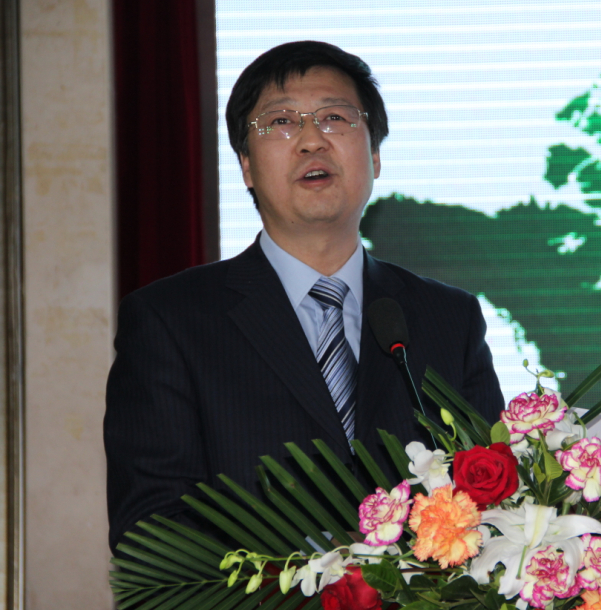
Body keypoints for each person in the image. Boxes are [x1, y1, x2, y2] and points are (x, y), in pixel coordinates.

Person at [103, 41, 505, 554]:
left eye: (335, 118)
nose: (312, 140)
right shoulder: (171, 321)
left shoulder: (449, 319)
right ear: (246, 166)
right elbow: (151, 534)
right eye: (281, 122)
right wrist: (320, 573)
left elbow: (494, 499)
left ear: (375, 155)